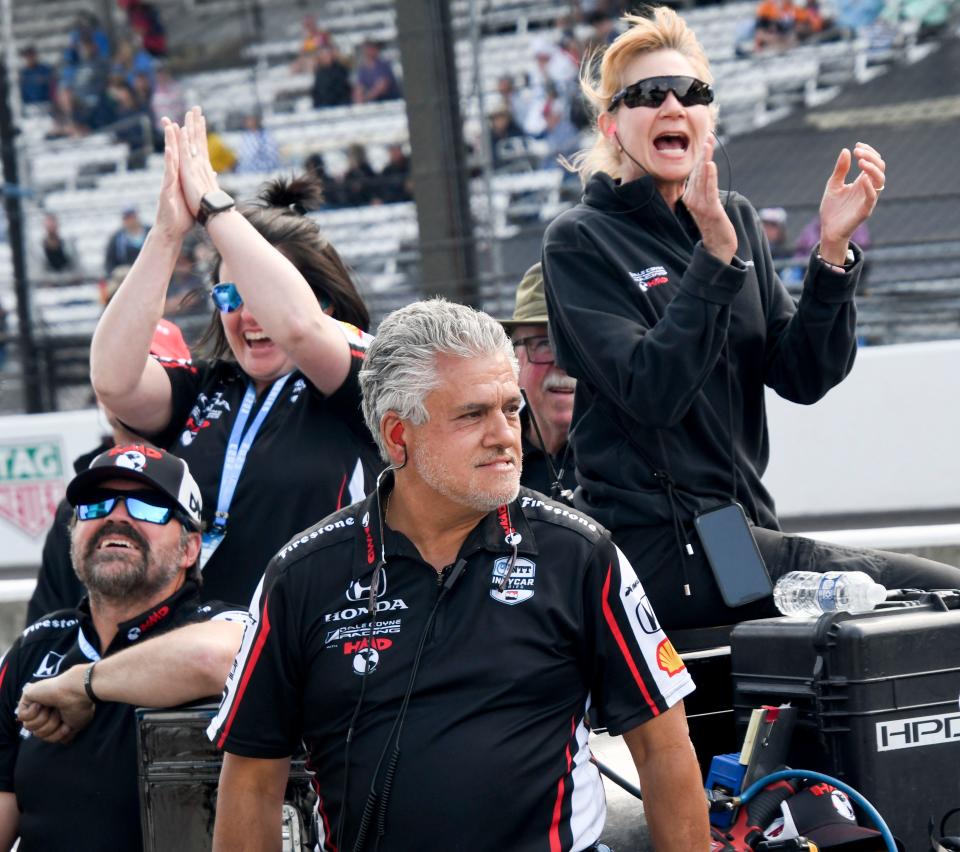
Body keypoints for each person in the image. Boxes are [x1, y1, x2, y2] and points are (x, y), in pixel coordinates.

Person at [208, 298, 709, 852]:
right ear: (398, 436)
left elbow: (664, 748)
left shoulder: (580, 554)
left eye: (511, 409)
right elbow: (252, 778)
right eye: (473, 414)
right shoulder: (300, 575)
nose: (504, 436)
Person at [542, 7, 960, 633]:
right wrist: (715, 258)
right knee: (940, 596)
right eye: (647, 95)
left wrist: (831, 255)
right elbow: (651, 390)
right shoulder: (580, 240)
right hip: (660, 545)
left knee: (870, 640)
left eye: (692, 92)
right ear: (611, 125)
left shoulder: (733, 219)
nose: (673, 105)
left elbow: (803, 375)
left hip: (737, 535)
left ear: (709, 117)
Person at [90, 106, 380, 605]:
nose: (247, 315)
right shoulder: (207, 385)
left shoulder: (363, 375)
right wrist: (166, 234)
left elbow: (299, 327)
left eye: (259, 294)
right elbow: (114, 383)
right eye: (229, 297)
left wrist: (216, 210)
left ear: (326, 302)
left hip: (318, 642)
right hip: (195, 642)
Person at [0, 446, 247, 851]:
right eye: (96, 506)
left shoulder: (217, 624)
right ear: (73, 535)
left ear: (190, 548)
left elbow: (219, 658)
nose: (116, 517)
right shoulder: (37, 647)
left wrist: (85, 684)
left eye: (146, 507)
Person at [500, 262, 578, 499]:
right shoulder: (491, 458)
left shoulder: (633, 461)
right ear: (514, 359)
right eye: (545, 344)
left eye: (576, 342)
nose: (563, 363)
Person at [104, 206, 149, 275]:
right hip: (127, 273)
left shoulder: (150, 232)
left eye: (132, 217)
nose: (130, 221)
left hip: (149, 268)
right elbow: (110, 262)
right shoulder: (117, 238)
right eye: (127, 218)